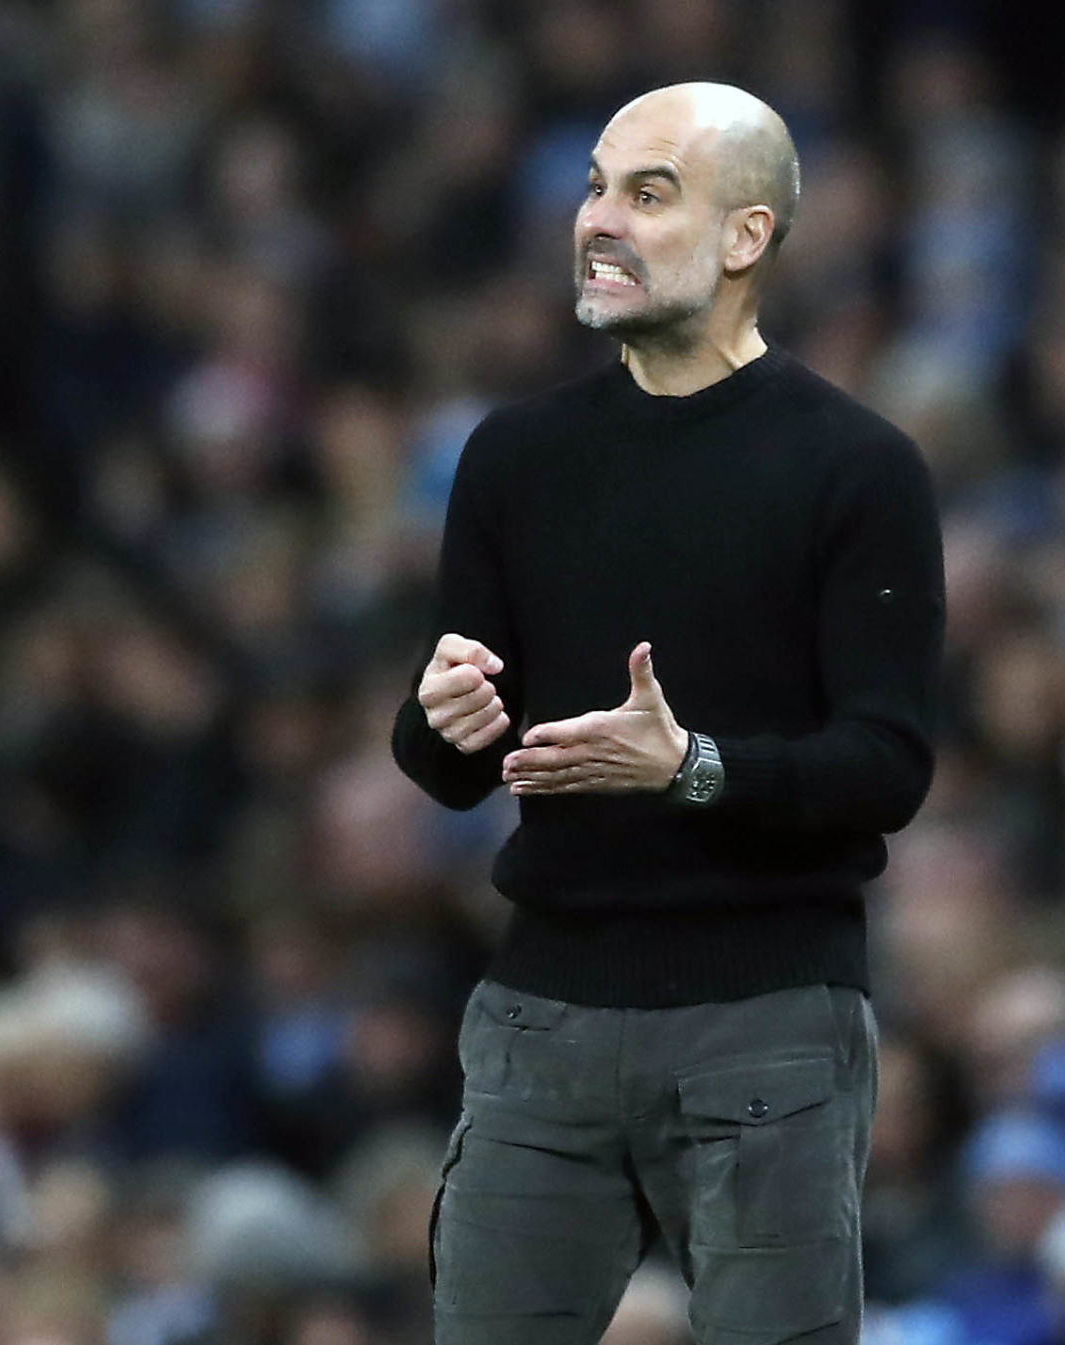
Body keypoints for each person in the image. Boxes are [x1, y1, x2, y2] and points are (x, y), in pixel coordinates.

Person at [390, 81, 945, 1344]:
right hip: (541, 1017)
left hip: (768, 1026)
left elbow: (886, 764)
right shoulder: (514, 458)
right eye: (594, 187)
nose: (602, 220)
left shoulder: (855, 465)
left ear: (745, 237)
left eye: (649, 194)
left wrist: (689, 765)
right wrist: (440, 717)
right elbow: (443, 764)